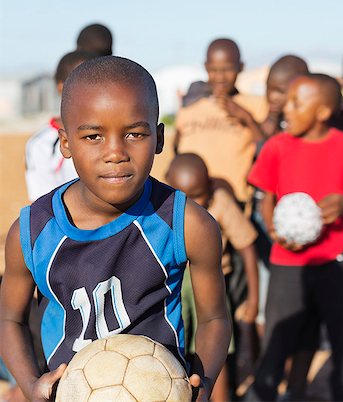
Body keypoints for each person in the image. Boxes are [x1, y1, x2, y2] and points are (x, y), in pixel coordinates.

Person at [0, 56, 231, 402]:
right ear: (65, 143)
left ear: (159, 138)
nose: (115, 153)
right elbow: (9, 321)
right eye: (93, 136)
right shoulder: (33, 232)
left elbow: (214, 318)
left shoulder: (186, 224)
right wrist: (32, 384)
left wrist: (205, 380)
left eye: (135, 134)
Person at [246, 74, 343, 402]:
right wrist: (276, 232)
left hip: (335, 263)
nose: (286, 108)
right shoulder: (276, 146)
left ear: (322, 112)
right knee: (278, 343)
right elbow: (265, 199)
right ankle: (263, 394)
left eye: (296, 103)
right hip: (288, 262)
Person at [166, 153, 259, 402]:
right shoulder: (163, 206)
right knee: (175, 348)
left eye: (197, 195)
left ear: (209, 186)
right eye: (184, 196)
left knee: (214, 355)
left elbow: (247, 246)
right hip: (173, 285)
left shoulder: (220, 203)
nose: (191, 203)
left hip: (209, 283)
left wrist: (253, 299)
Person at [174, 38, 268, 206]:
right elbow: (177, 148)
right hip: (191, 200)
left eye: (227, 70)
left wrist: (247, 118)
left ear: (241, 67)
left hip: (235, 200)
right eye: (214, 70)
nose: (220, 77)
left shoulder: (255, 105)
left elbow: (267, 151)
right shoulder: (190, 106)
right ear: (206, 67)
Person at [25, 50, 96, 202]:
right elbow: (41, 202)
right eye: (85, 82)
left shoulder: (111, 135)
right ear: (61, 88)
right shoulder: (41, 145)